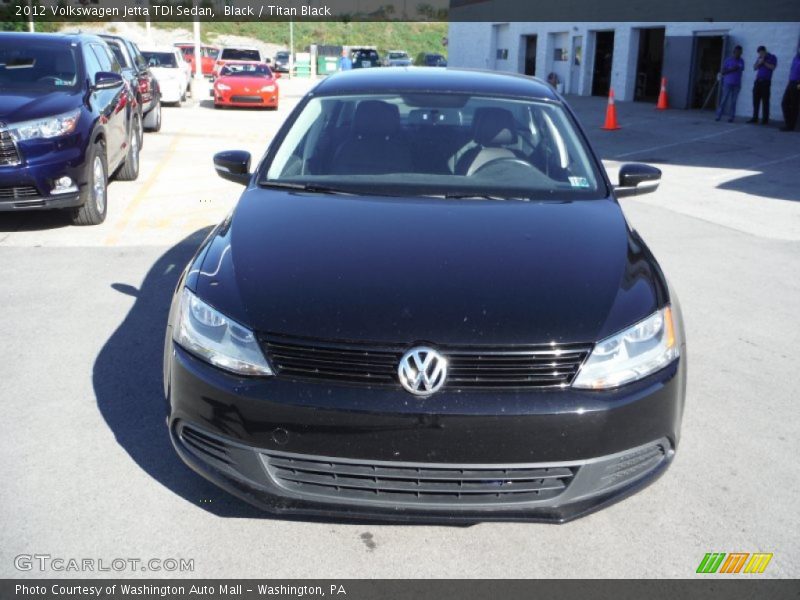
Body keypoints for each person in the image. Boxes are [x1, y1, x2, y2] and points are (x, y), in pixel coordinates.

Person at [748, 46, 777, 124]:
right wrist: (759, 62)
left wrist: (764, 62)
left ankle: (765, 119)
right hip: (758, 81)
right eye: (759, 53)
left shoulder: (772, 57)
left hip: (766, 82)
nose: (760, 54)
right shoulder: (759, 57)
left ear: (765, 51)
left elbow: (772, 67)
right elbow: (754, 68)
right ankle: (755, 117)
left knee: (765, 101)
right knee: (755, 100)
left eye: (761, 52)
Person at [716, 45, 744, 122]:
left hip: (737, 84)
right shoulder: (728, 60)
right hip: (727, 83)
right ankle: (718, 115)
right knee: (724, 100)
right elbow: (723, 71)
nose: (739, 54)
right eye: (737, 52)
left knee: (733, 101)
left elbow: (740, 68)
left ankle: (731, 117)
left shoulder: (741, 61)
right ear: (734, 52)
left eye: (740, 52)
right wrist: (731, 69)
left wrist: (732, 69)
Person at [780, 44, 800, 132]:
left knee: (794, 105)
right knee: (784, 103)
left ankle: (790, 126)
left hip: (798, 84)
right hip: (791, 83)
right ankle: (788, 123)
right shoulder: (795, 58)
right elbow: (792, 70)